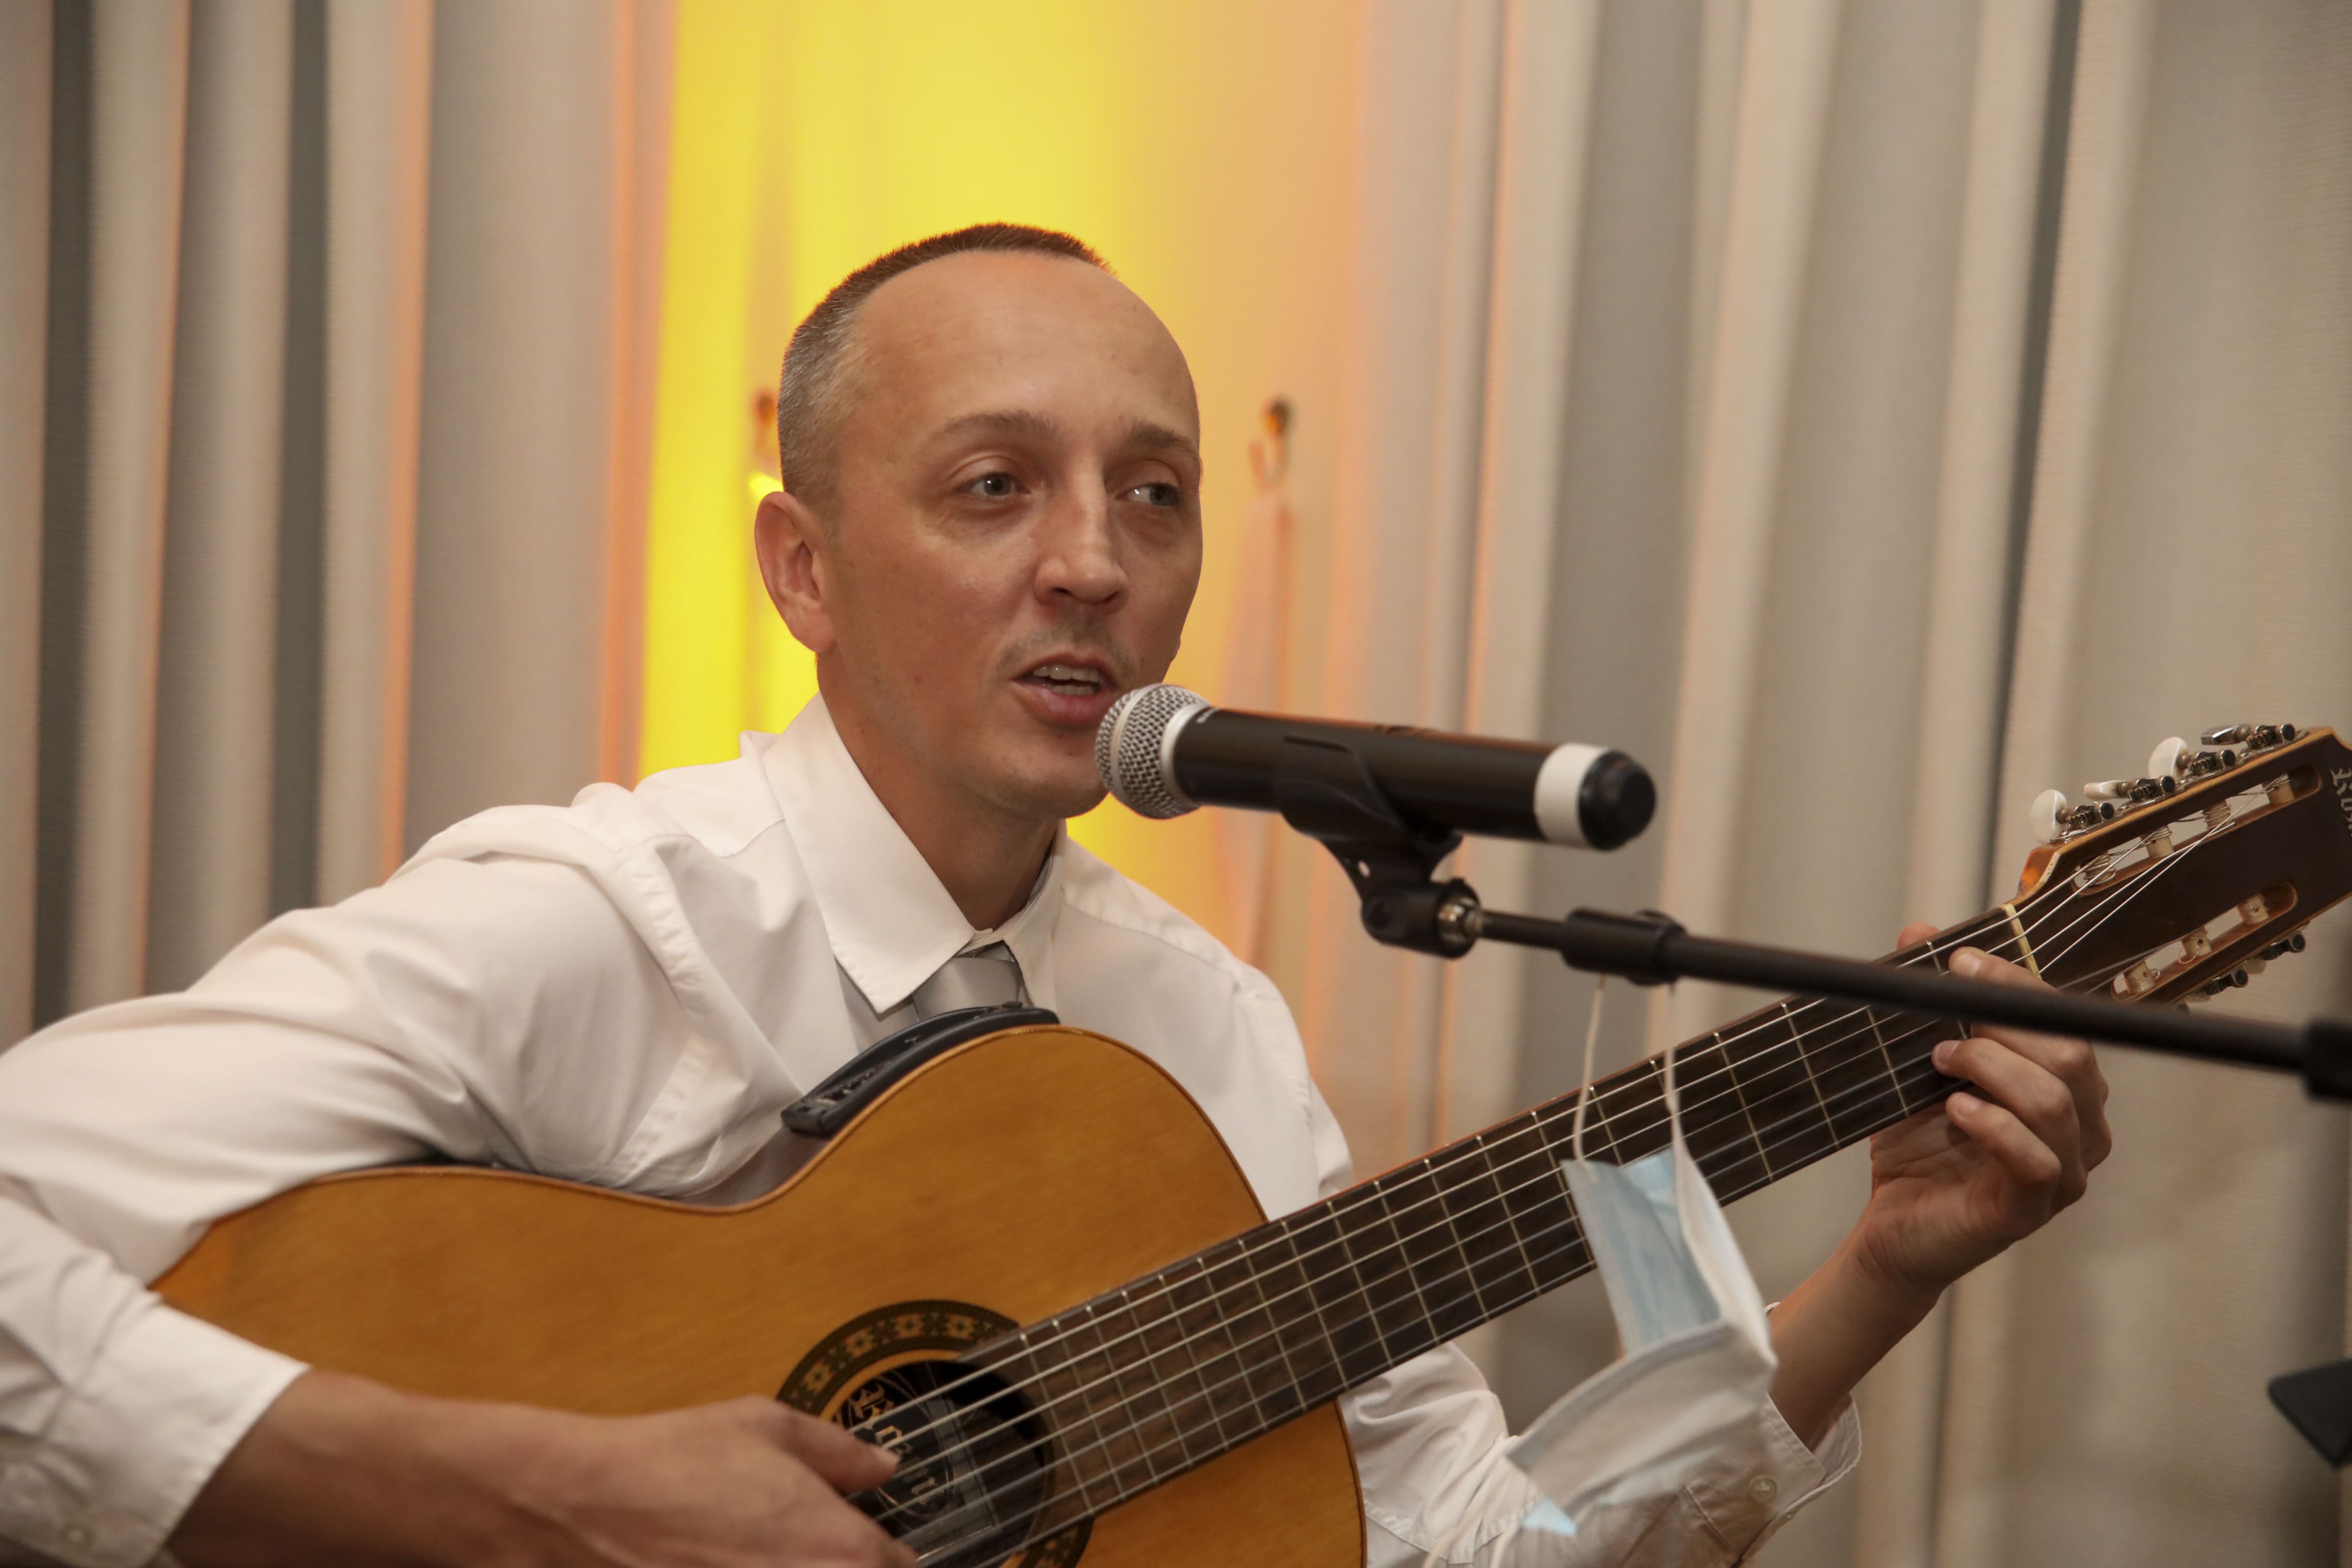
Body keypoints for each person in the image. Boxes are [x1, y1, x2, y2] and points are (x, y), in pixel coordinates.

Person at [0, 225, 2110, 1568]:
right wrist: (547, 1495)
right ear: (805, 568)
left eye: (1154, 493)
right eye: (994, 485)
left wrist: (1876, 1276)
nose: (1093, 561)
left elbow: (1473, 1544)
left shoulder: (1200, 1030)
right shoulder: (595, 922)